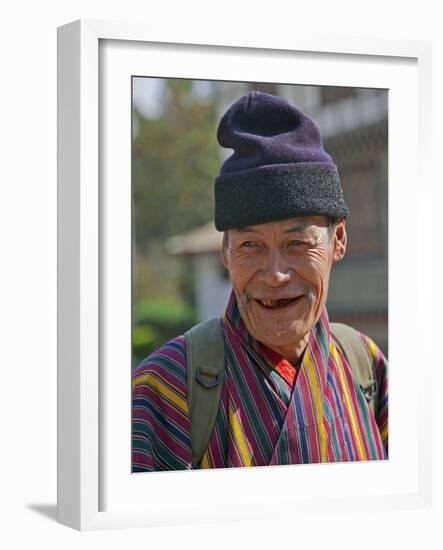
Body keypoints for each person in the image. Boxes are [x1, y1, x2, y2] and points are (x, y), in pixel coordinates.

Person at [132, 91, 388, 471]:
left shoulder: (364, 366)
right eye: (250, 245)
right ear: (225, 252)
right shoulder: (165, 389)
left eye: (297, 243)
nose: (275, 274)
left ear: (338, 241)